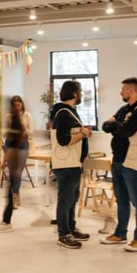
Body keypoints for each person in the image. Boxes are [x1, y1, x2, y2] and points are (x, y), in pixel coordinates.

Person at [101, 77, 137, 253]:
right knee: (121, 199)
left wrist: (117, 126)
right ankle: (120, 233)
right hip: (118, 160)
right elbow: (105, 126)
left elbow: (124, 131)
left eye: (123, 90)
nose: (120, 93)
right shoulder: (124, 109)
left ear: (131, 91)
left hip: (133, 161)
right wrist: (118, 126)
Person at [49, 81, 91, 249]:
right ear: (73, 93)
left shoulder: (70, 112)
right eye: (80, 91)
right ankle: (63, 234)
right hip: (66, 165)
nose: (81, 94)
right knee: (66, 199)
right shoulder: (63, 113)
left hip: (74, 163)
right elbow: (63, 140)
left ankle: (71, 227)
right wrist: (83, 134)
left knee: (72, 198)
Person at [0, 96, 30, 233]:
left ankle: (6, 221)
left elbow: (14, 143)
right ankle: (6, 219)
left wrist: (5, 160)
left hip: (16, 153)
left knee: (12, 183)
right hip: (15, 152)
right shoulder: (11, 118)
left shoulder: (16, 120)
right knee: (11, 184)